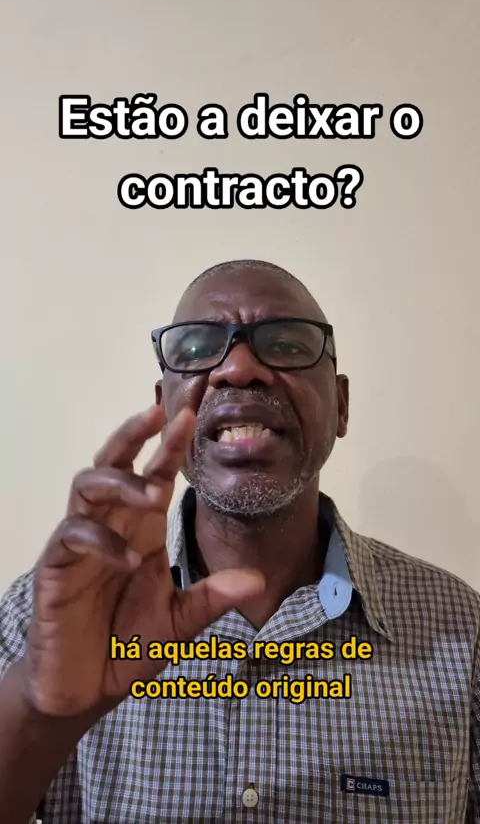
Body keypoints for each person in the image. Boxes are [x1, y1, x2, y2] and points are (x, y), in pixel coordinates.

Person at [0, 259, 478, 824]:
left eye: (287, 344)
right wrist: (37, 712)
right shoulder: (45, 619)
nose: (239, 368)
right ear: (164, 406)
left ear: (342, 404)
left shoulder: (461, 629)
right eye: (198, 348)